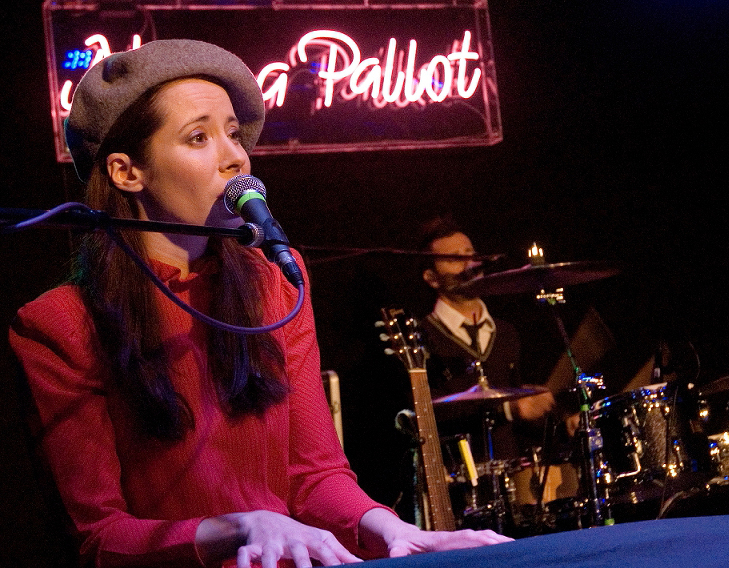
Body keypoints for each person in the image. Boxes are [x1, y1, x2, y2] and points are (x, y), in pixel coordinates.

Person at [8, 40, 510, 568]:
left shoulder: (275, 283)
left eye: (233, 133)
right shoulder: (59, 324)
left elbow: (315, 475)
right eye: (199, 137)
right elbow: (98, 539)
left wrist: (392, 529)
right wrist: (240, 528)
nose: (235, 156)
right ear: (126, 171)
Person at [417, 217, 557, 461]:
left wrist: (562, 424)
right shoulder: (419, 338)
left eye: (470, 254)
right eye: (454, 259)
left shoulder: (506, 333)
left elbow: (520, 424)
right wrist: (509, 410)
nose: (469, 265)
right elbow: (425, 418)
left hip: (510, 476)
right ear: (431, 277)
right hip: (455, 477)